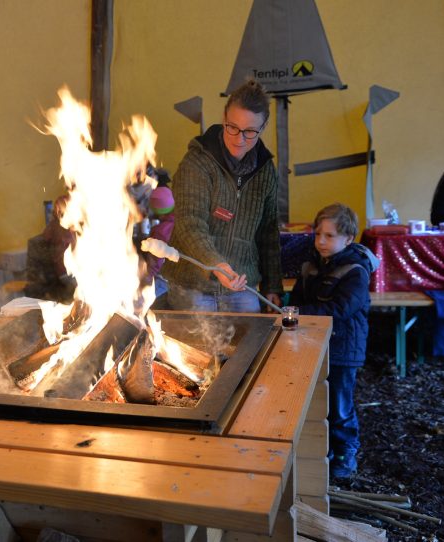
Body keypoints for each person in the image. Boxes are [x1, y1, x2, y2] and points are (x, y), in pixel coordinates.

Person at [163, 80, 283, 312]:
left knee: (250, 346)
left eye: (249, 132)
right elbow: (189, 224)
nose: (239, 139)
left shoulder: (266, 170)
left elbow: (268, 231)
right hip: (192, 286)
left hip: (241, 287)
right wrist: (214, 264)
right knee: (192, 348)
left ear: (263, 126)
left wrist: (272, 285)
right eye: (232, 127)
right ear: (224, 118)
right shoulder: (197, 162)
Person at [288, 203, 379, 479]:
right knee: (316, 400)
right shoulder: (311, 265)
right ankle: (321, 450)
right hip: (313, 345)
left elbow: (340, 310)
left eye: (329, 236)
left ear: (348, 239)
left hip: (342, 348)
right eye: (318, 235)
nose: (321, 242)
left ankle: (345, 453)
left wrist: (298, 314)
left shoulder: (355, 271)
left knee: (339, 403)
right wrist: (290, 309)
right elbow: (298, 298)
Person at [143, 184, 175, 299]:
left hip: (164, 280)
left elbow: (156, 260)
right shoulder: (182, 221)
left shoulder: (160, 231)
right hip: (181, 279)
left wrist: (147, 278)